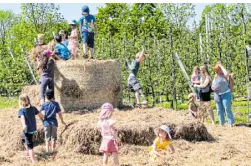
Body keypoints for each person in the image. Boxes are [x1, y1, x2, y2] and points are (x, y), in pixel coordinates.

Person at [18, 94, 44, 163]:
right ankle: (28, 152)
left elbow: (22, 118)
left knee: (30, 145)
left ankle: (33, 160)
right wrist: (44, 118)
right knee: (22, 137)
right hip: (33, 129)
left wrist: (24, 125)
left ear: (20, 102)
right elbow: (41, 115)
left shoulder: (21, 110)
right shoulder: (33, 108)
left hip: (27, 130)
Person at [212, 62, 234, 127]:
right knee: (219, 109)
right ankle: (222, 123)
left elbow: (227, 74)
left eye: (218, 70)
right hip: (217, 95)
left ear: (220, 70)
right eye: (216, 70)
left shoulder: (224, 75)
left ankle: (231, 123)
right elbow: (213, 84)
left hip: (225, 94)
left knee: (227, 108)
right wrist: (213, 87)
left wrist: (221, 66)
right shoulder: (215, 76)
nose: (216, 71)